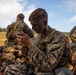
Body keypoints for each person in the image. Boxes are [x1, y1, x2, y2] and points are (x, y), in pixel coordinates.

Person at [17, 8, 74, 75]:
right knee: (11, 69)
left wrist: (30, 44)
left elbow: (48, 65)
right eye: (31, 25)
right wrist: (25, 44)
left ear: (45, 22)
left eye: (35, 25)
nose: (32, 28)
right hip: (39, 69)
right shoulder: (39, 37)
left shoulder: (58, 38)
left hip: (55, 71)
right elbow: (28, 56)